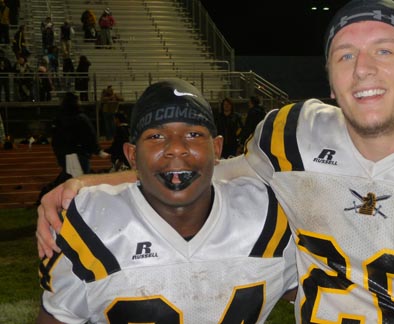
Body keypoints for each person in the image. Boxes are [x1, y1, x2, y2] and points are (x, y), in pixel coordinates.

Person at [36, 0, 394, 322]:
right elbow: (214, 169)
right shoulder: (294, 136)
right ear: (330, 80)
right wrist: (94, 184)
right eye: (345, 56)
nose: (363, 69)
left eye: (385, 50)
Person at [37, 79, 298, 323]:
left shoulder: (268, 216)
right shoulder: (90, 225)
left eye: (194, 134)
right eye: (156, 136)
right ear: (131, 154)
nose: (176, 147)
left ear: (217, 148)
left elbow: (321, 288)